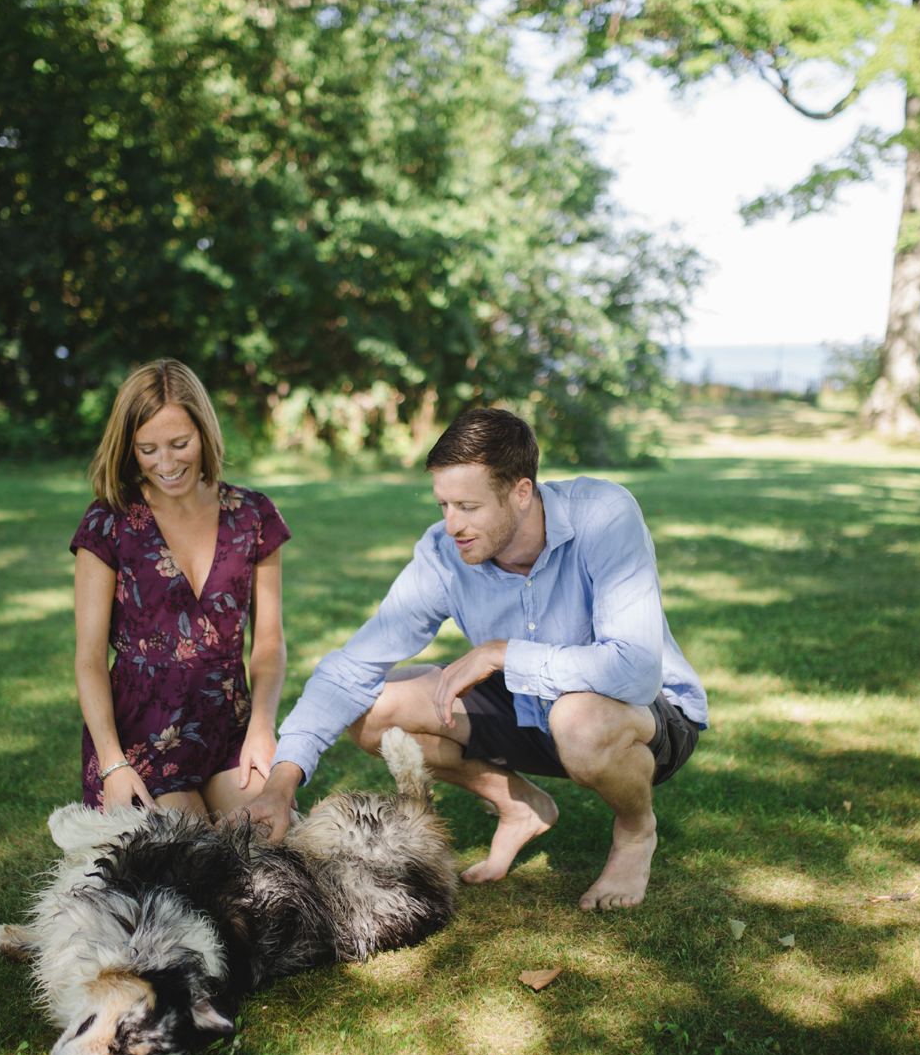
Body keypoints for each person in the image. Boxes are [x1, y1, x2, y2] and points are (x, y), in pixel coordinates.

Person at [236, 407, 707, 910]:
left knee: (578, 718)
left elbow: (634, 671)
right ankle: (518, 805)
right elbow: (352, 668)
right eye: (443, 505)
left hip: (644, 715)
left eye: (467, 506)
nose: (451, 525)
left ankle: (636, 831)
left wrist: (502, 654)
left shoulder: (604, 514)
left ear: (521, 493)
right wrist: (282, 782)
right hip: (531, 712)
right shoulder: (443, 553)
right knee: (374, 713)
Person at [69, 359, 291, 816]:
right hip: (140, 739)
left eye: (179, 444)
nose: (166, 464)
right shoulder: (107, 522)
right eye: (147, 449)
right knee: (188, 865)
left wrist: (262, 728)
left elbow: (268, 642)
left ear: (204, 434)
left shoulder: (253, 516)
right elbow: (89, 658)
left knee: (268, 850)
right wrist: (113, 764)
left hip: (230, 727)